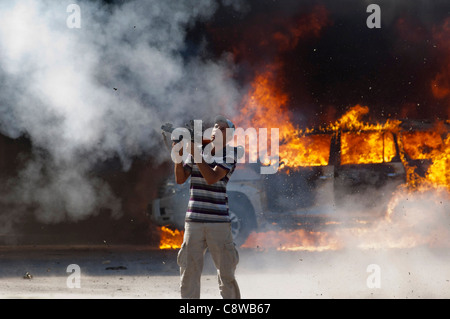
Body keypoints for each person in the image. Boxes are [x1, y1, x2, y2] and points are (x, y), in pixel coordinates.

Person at [173, 115, 241, 299]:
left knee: (226, 273)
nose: (215, 130)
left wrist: (195, 153)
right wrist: (178, 157)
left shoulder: (231, 154)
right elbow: (180, 179)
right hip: (193, 220)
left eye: (221, 128)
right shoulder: (199, 151)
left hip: (218, 221)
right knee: (189, 272)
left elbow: (211, 178)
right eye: (214, 127)